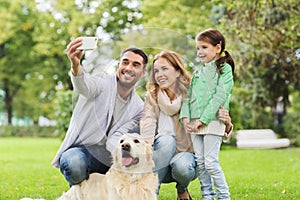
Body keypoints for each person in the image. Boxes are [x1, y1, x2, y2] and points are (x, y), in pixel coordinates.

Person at [51, 37, 148, 186]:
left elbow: (117, 136)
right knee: (74, 163)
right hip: (81, 151)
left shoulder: (137, 107)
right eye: (125, 62)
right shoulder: (102, 82)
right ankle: (80, 190)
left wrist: (127, 156)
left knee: (140, 133)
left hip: (109, 155)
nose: (128, 68)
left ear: (143, 72)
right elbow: (83, 86)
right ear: (118, 65)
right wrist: (75, 65)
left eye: (136, 65)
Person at [140, 50, 233, 200]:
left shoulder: (193, 92)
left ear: (177, 72)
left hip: (186, 157)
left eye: (165, 69)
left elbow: (211, 115)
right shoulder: (152, 97)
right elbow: (147, 122)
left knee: (183, 167)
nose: (159, 74)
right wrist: (146, 149)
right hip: (160, 160)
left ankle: (182, 189)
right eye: (156, 71)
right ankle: (150, 195)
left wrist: (227, 124)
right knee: (166, 140)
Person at [180, 28, 235, 200]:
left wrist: (202, 120)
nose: (200, 52)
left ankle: (224, 196)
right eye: (198, 48)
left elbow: (220, 95)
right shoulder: (197, 72)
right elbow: (188, 98)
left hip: (212, 121)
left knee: (211, 162)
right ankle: (207, 195)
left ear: (217, 48)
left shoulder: (224, 69)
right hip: (195, 123)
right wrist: (186, 118)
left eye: (204, 47)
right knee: (201, 164)